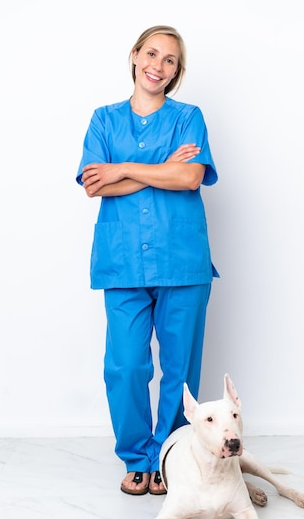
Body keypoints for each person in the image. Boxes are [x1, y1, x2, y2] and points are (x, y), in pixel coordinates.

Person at [76, 25, 218, 495]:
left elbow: (190, 178)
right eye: (152, 54)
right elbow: (95, 184)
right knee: (125, 365)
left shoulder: (189, 116)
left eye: (170, 59)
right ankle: (136, 456)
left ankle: (168, 456)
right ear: (135, 55)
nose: (158, 65)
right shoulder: (103, 119)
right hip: (121, 262)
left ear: (177, 70)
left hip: (182, 259)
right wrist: (160, 169)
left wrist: (123, 168)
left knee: (180, 369)